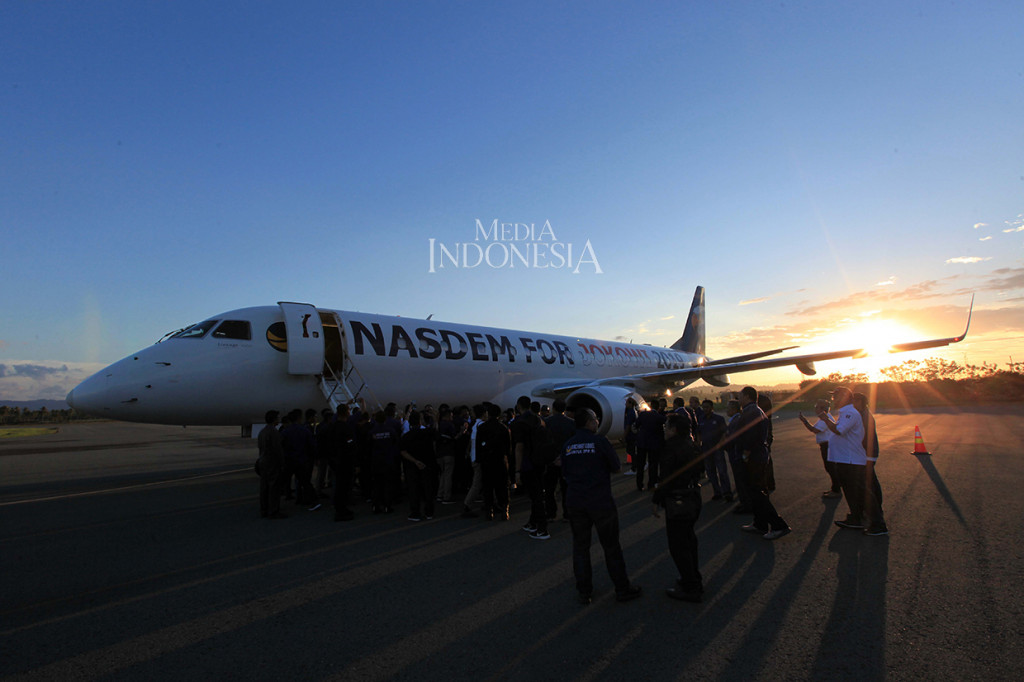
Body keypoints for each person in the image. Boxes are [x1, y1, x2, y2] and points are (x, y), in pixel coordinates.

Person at [562, 408, 642, 604]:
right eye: (596, 419)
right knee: (611, 546)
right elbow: (616, 466)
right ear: (590, 422)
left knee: (581, 547)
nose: (597, 422)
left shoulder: (568, 445)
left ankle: (584, 591)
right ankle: (622, 589)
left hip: (575, 501)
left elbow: (564, 472)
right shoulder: (600, 441)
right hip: (599, 501)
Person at [652, 413, 703, 601]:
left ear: (674, 429)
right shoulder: (693, 445)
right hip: (694, 496)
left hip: (678, 499)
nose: (665, 429)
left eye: (667, 426)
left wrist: (657, 500)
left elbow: (666, 478)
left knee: (678, 545)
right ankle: (693, 578)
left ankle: (691, 587)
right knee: (689, 540)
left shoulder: (670, 448)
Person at [735, 387, 790, 539]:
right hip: (757, 457)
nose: (738, 399)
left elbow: (751, 437)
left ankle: (779, 525)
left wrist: (745, 455)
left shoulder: (751, 412)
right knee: (755, 492)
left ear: (747, 396)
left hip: (754, 459)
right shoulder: (754, 411)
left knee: (757, 493)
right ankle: (760, 524)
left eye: (740, 396)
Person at [818, 386, 868, 530]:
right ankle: (856, 516)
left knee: (852, 491)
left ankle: (857, 519)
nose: (833, 399)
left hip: (850, 460)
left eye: (836, 396)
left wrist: (826, 419)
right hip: (846, 459)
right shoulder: (846, 412)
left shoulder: (850, 413)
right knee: (850, 490)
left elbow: (839, 430)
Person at [512, 396, 549, 540]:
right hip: (540, 461)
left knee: (536, 497)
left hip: (528, 463)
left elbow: (519, 448)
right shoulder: (539, 420)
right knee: (537, 494)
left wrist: (517, 471)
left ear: (518, 406)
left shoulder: (519, 423)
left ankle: (542, 529)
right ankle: (533, 523)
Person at [853, 392, 888, 536]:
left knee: (865, 487)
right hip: (868, 454)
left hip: (866, 455)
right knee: (871, 483)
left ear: (860, 401)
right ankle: (877, 512)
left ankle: (877, 523)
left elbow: (858, 437)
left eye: (853, 401)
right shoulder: (864, 414)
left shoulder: (863, 416)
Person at [798, 399, 842, 498]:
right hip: (827, 445)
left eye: (817, 406)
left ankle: (836, 489)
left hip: (827, 445)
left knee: (830, 468)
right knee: (830, 467)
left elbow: (814, 430)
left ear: (822, 409)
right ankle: (836, 487)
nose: (815, 408)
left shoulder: (824, 419)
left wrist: (804, 421)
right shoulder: (824, 418)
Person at [400, 410, 438, 521]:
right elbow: (436, 433)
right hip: (428, 465)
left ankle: (415, 512)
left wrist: (415, 461)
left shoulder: (406, 436)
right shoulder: (427, 432)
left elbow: (403, 451)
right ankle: (429, 512)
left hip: (412, 467)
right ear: (420, 422)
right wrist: (434, 419)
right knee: (428, 490)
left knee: (413, 490)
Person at [477, 403, 511, 520]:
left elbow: (478, 446)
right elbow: (508, 447)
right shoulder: (504, 428)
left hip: (486, 461)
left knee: (488, 487)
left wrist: (479, 459)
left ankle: (489, 511)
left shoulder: (481, 428)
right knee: (502, 487)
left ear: (488, 414)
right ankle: (504, 510)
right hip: (500, 460)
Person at [543, 398, 576, 520]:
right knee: (566, 489)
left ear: (553, 408)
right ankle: (567, 514)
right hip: (566, 460)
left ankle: (551, 514)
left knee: (549, 490)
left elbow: (543, 442)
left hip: (551, 461)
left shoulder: (546, 422)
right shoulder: (572, 423)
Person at [281, 409, 319, 510]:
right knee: (305, 481)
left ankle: (273, 504)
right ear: (299, 418)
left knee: (282, 481)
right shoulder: (304, 430)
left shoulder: (286, 431)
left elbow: (281, 446)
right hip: (302, 460)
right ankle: (314, 501)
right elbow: (312, 445)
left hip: (289, 460)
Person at [700, 399, 732, 502]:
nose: (705, 409)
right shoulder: (701, 418)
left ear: (712, 408)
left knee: (722, 471)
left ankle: (727, 492)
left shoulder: (719, 419)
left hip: (717, 449)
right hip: (706, 449)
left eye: (707, 407)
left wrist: (720, 444)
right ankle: (717, 492)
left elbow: (725, 433)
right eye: (703, 407)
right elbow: (698, 432)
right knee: (711, 472)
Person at [257, 410, 287, 519]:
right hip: (272, 463)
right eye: (278, 417)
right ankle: (273, 511)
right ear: (274, 419)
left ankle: (264, 509)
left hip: (263, 461)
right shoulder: (274, 432)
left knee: (264, 487)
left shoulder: (262, 431)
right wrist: (282, 463)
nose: (279, 419)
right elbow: (278, 450)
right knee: (274, 487)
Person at [460, 404, 487, 518]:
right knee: (477, 483)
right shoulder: (482, 425)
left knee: (482, 481)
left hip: (474, 457)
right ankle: (467, 504)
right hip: (479, 458)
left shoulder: (475, 425)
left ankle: (487, 502)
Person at [633, 403, 666, 492]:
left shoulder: (643, 414)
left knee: (640, 465)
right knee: (653, 465)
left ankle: (639, 484)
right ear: (658, 408)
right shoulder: (659, 417)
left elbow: (636, 425)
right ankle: (651, 484)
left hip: (642, 443)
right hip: (654, 444)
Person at [435, 407, 457, 504]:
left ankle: (440, 494)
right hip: (448, 452)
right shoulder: (450, 425)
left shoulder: (438, 425)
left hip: (439, 453)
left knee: (443, 474)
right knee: (448, 475)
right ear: (448, 416)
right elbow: (454, 437)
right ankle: (446, 497)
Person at [623, 398, 639, 475]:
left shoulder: (630, 413)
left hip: (630, 436)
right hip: (631, 435)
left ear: (630, 404)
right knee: (631, 451)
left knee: (631, 451)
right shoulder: (631, 412)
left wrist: (624, 435)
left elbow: (628, 426)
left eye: (626, 403)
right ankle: (636, 466)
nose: (625, 404)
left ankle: (634, 468)